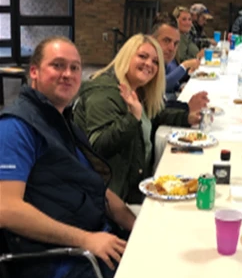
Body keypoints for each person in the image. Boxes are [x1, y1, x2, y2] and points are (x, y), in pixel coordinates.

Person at [0, 36, 136, 278]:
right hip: (54, 266)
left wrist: (136, 224)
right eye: (58, 65)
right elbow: (6, 209)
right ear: (34, 72)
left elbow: (95, 187)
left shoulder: (57, 120)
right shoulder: (15, 127)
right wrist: (87, 240)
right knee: (159, 276)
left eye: (75, 67)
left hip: (89, 239)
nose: (68, 74)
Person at [74, 34, 201, 204]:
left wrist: (186, 118)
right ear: (126, 56)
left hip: (136, 185)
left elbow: (155, 114)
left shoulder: (137, 89)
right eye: (142, 56)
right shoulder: (104, 92)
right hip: (114, 198)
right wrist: (132, 118)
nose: (149, 64)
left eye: (155, 62)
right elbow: (98, 146)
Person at [151, 16, 205, 101]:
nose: (172, 48)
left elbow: (172, 80)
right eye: (166, 40)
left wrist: (180, 87)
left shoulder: (167, 58)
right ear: (152, 39)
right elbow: (161, 86)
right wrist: (185, 66)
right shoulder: (147, 63)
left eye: (176, 43)